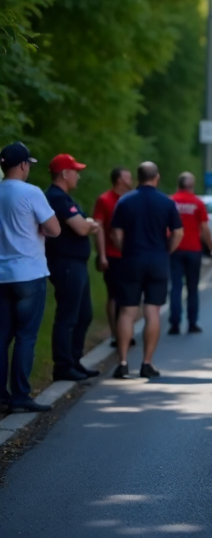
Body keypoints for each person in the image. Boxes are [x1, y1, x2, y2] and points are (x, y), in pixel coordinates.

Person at [0, 142, 61, 413]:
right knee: (26, 337)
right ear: (24, 165)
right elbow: (55, 229)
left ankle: (1, 396)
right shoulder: (31, 192)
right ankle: (21, 396)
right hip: (29, 274)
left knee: (1, 338)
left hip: (2, 276)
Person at [110, 162, 183, 379]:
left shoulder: (125, 201)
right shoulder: (166, 202)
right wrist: (166, 251)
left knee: (127, 312)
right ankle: (146, 363)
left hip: (131, 260)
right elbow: (178, 233)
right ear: (156, 177)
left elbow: (115, 233)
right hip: (157, 261)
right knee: (152, 312)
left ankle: (122, 363)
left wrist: (126, 250)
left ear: (137, 177)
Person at [44, 154, 101, 382]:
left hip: (77, 263)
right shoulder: (57, 198)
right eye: (75, 171)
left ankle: (74, 361)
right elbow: (81, 227)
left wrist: (87, 224)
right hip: (66, 263)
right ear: (65, 174)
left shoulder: (67, 199)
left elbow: (89, 224)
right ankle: (63, 366)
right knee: (68, 316)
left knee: (84, 314)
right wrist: (87, 224)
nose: (78, 175)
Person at [92, 167, 133, 348]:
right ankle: (115, 334)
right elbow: (98, 228)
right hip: (112, 254)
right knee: (114, 295)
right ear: (118, 180)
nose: (131, 179)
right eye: (127, 177)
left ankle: (126, 331)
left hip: (131, 255)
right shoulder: (105, 200)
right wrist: (102, 255)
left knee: (129, 295)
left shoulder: (131, 199)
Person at [168, 172, 212, 336]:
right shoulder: (197, 203)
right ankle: (192, 323)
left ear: (178, 185)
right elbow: (204, 228)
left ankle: (174, 323)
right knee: (193, 288)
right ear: (191, 186)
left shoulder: (171, 202)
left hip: (175, 249)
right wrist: (211, 247)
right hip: (193, 251)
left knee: (175, 287)